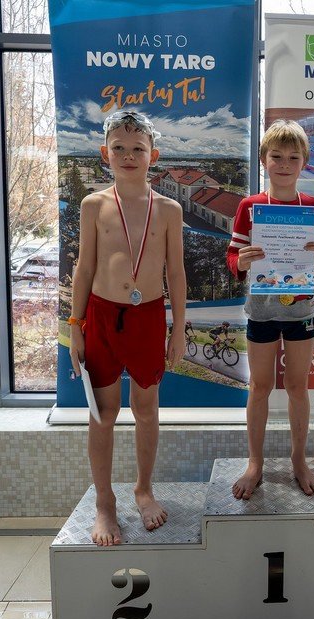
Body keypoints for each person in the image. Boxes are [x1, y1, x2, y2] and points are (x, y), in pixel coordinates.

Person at [69, 110, 186, 547]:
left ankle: (143, 489)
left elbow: (176, 273)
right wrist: (75, 326)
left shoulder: (169, 209)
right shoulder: (94, 205)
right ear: (106, 153)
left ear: (154, 155)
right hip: (101, 316)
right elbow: (84, 268)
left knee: (146, 409)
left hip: (148, 317)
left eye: (138, 148)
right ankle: (105, 501)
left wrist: (179, 328)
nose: (128, 155)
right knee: (102, 414)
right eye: (119, 147)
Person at [226, 119, 314, 499]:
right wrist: (240, 262)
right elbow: (232, 256)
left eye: (293, 157)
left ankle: (299, 460)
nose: (284, 164)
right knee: (259, 387)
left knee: (297, 386)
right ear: (264, 160)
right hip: (261, 311)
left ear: (305, 161)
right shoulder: (250, 206)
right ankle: (255, 462)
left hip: (300, 313)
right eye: (277, 156)